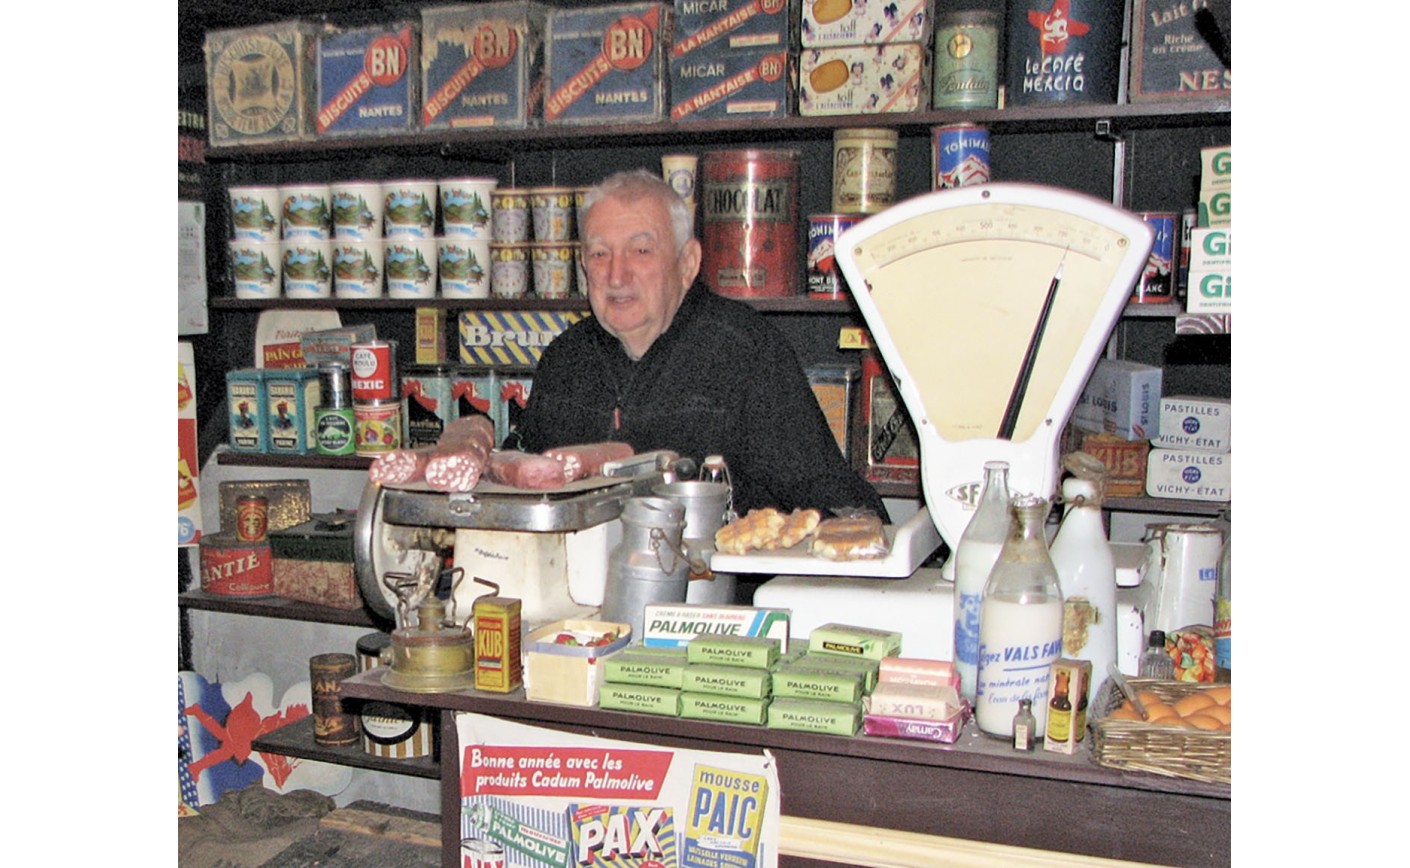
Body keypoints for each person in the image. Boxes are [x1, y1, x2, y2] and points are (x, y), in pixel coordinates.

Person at [514, 168, 887, 521]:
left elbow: (839, 504)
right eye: (599, 254)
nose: (617, 274)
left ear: (688, 263)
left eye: (641, 251)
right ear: (583, 265)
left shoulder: (746, 353)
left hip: (719, 584)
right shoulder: (565, 359)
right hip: (579, 584)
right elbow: (518, 483)